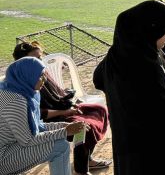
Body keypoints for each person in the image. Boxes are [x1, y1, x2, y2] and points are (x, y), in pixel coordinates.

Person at [93, 0, 165, 175]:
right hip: (154, 156)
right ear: (150, 31)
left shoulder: (120, 53)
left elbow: (99, 79)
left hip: (127, 147)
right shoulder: (146, 68)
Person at [12, 42, 111, 175]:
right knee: (83, 127)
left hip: (62, 109)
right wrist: (66, 111)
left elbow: (58, 94)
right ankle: (81, 169)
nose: (40, 61)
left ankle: (88, 159)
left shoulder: (41, 72)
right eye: (36, 58)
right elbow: (38, 115)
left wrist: (71, 103)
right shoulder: (20, 84)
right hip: (48, 118)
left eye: (40, 57)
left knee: (99, 110)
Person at [0, 57, 88, 175]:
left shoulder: (17, 89)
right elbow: (28, 140)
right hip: (3, 156)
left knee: (59, 141)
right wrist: (64, 131)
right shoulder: (16, 101)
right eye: (40, 75)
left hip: (10, 147)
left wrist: (64, 126)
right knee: (60, 146)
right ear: (27, 75)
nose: (44, 79)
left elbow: (37, 126)